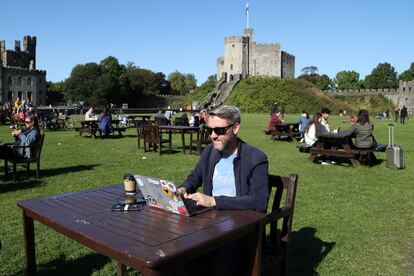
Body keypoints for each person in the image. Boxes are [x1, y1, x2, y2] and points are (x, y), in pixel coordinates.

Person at [177, 105, 269, 275]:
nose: (213, 136)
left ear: (235, 128)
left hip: (241, 231)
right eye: (209, 130)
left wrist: (214, 200)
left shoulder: (256, 158)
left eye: (219, 130)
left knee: (221, 266)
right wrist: (183, 188)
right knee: (178, 253)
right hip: (209, 223)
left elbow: (259, 201)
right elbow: (195, 177)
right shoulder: (209, 152)